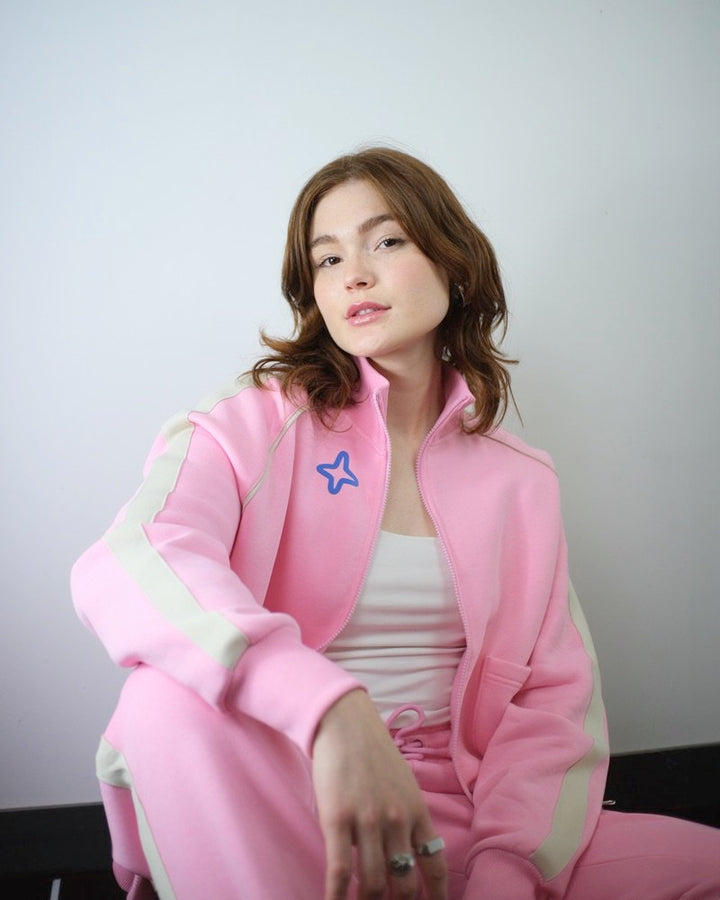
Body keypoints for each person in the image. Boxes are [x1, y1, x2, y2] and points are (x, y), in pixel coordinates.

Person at [71, 147, 720, 900]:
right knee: (163, 699)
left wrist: (508, 869)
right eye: (328, 258)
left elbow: (550, 703)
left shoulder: (521, 481)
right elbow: (132, 559)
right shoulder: (250, 425)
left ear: (453, 262)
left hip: (466, 814)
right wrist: (328, 708)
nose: (354, 274)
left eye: (385, 241)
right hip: (286, 792)